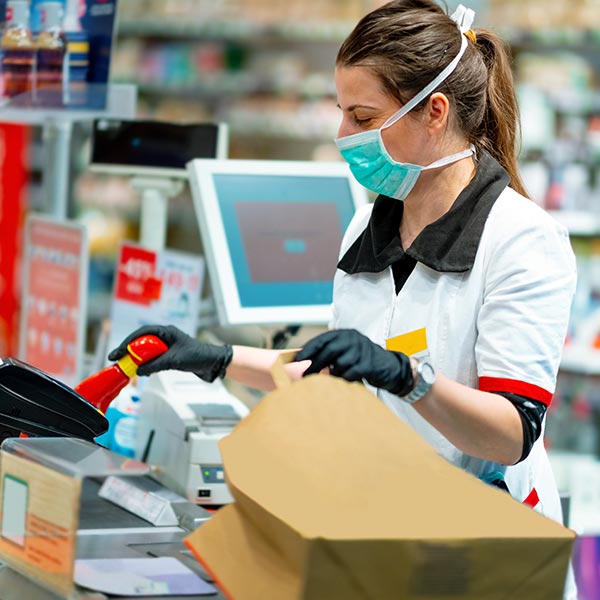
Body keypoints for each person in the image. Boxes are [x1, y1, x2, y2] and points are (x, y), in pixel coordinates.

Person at [109, 2, 576, 596]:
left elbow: (512, 432)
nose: (343, 137)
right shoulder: (367, 229)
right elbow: (337, 373)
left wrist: (411, 378)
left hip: (484, 552)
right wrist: (216, 359)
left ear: (434, 112)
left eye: (362, 117)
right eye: (342, 114)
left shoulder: (521, 239)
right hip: (383, 534)